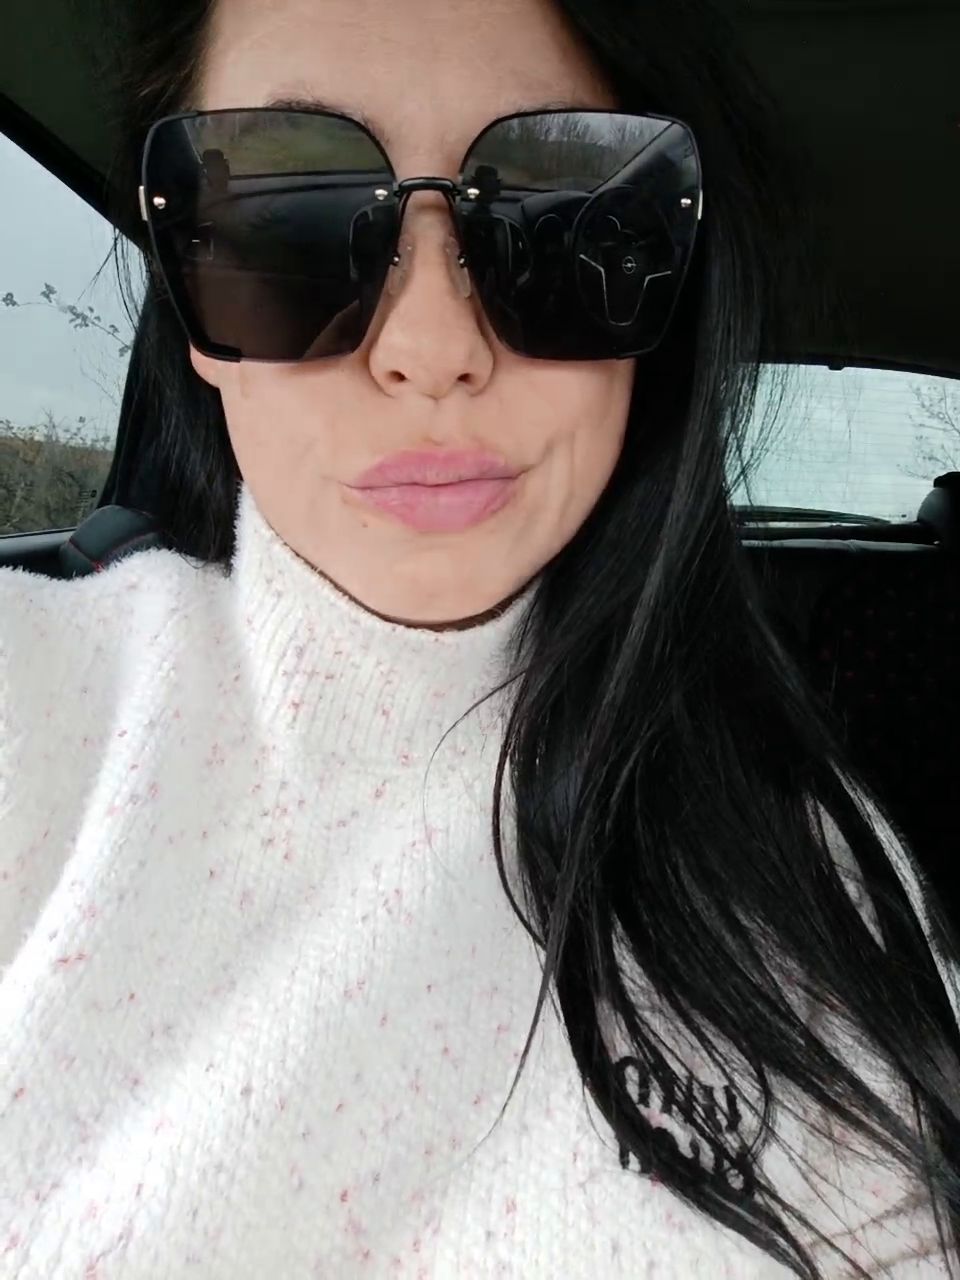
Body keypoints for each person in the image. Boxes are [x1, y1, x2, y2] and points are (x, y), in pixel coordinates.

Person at [1, 0, 959, 1275]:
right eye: (286, 217)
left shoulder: (829, 890)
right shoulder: (29, 703)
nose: (433, 347)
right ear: (187, 300)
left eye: (563, 216)